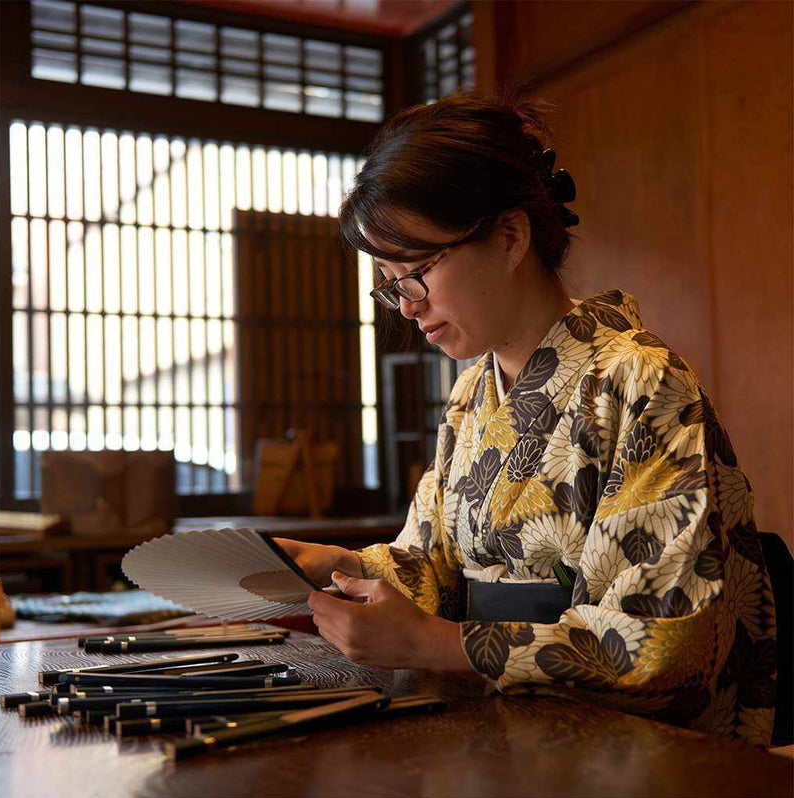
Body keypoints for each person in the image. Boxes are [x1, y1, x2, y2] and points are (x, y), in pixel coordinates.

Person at [275, 86, 776, 746]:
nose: (406, 306)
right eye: (389, 284)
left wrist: (439, 644)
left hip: (633, 750)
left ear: (510, 236)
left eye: (418, 271)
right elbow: (431, 568)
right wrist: (328, 566)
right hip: (509, 730)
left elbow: (661, 641)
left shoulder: (638, 380)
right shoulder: (469, 397)